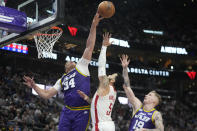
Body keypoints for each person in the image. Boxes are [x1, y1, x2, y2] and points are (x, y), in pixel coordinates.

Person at [23, 12, 103, 131]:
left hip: (81, 111)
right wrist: (34, 86)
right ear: (65, 68)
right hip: (67, 111)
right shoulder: (62, 79)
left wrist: (93, 26)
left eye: (72, 61)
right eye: (69, 61)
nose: (71, 61)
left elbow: (89, 46)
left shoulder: (81, 67)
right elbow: (46, 94)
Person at [77, 32, 124, 131]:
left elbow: (101, 67)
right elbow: (98, 104)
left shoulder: (107, 86)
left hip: (101, 126)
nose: (109, 74)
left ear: (113, 80)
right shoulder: (111, 91)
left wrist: (104, 47)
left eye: (112, 75)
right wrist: (86, 98)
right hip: (108, 125)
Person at [120, 54, 164, 131]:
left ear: (154, 100)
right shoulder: (138, 106)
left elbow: (160, 130)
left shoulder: (156, 114)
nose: (146, 95)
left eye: (149, 95)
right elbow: (127, 86)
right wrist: (125, 69)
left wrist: (145, 130)